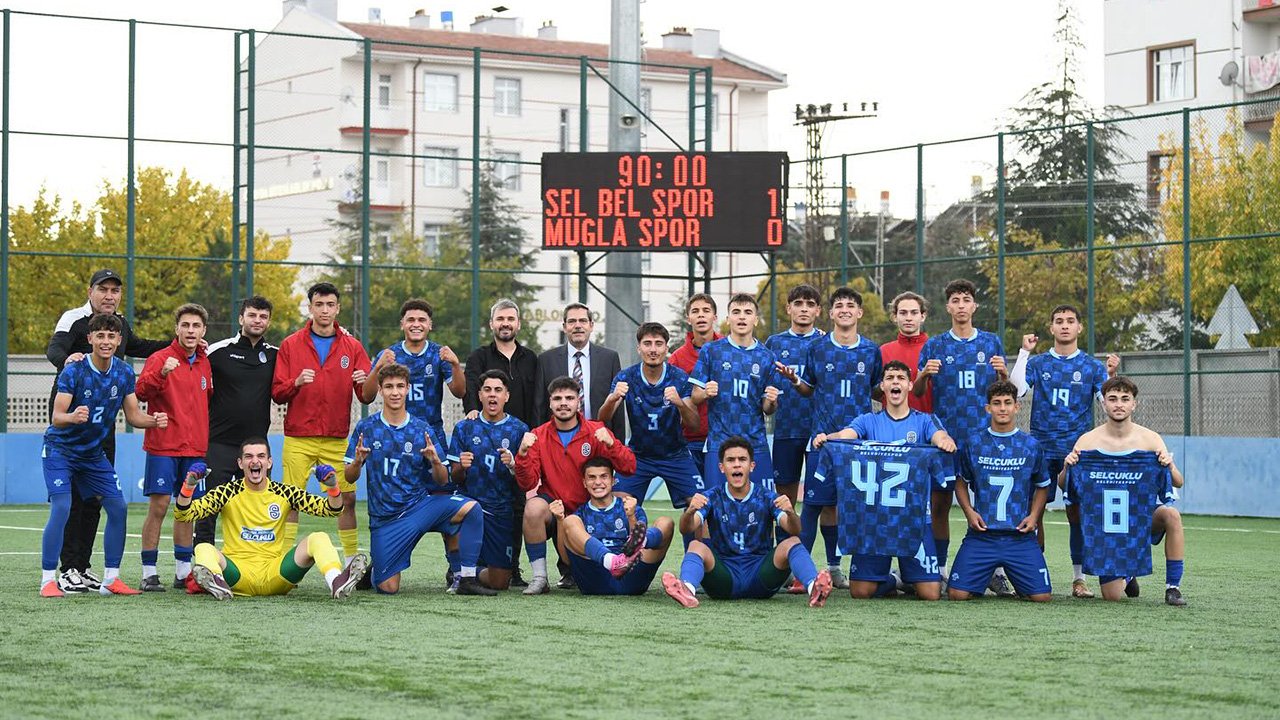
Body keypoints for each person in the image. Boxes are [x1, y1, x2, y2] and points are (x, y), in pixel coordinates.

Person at [45, 268, 169, 592]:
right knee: (70, 500)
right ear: (90, 292)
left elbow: (141, 345)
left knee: (96, 500)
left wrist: (178, 344)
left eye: (115, 290)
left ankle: (82, 567)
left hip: (102, 426)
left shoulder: (120, 325)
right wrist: (67, 358)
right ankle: (67, 567)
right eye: (104, 289)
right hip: (71, 420)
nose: (110, 295)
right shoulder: (74, 319)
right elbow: (54, 348)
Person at [345, 363, 496, 596]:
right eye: (388, 387)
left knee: (471, 508)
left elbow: (443, 479)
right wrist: (356, 462)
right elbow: (349, 476)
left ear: (407, 389)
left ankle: (464, 577)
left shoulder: (421, 428)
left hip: (419, 507)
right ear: (381, 391)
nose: (394, 392)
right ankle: (376, 569)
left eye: (399, 386)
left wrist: (436, 461)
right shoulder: (367, 427)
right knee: (388, 588)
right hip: (387, 520)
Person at [814, 360, 956, 599]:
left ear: (910, 385)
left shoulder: (924, 420)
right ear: (883, 386)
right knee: (860, 592)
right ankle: (894, 579)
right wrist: (827, 438)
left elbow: (939, 435)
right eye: (890, 378)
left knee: (931, 593)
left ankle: (911, 576)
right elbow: (845, 436)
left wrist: (944, 440)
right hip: (874, 522)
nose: (895, 382)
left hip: (913, 519)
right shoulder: (868, 421)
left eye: (901, 378)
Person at [1009, 304, 1119, 598]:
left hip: (1077, 452)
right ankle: (1035, 573)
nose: (1065, 326)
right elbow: (1016, 390)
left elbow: (1108, 403)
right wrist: (1023, 353)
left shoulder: (1093, 367)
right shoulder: (1039, 363)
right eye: (1059, 321)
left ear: (1080, 327)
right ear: (1051, 328)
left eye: (1071, 321)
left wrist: (1111, 377)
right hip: (1042, 449)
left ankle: (1078, 579)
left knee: (1077, 514)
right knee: (1034, 512)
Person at [173, 439, 369, 599]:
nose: (255, 461)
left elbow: (332, 510)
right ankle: (217, 583)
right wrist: (189, 486)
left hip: (276, 574)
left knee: (318, 537)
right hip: (237, 575)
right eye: (248, 457)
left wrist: (333, 487)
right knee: (202, 547)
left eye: (260, 456)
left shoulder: (284, 492)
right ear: (240, 464)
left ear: (269, 462)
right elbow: (184, 514)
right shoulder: (226, 492)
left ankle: (336, 582)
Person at [784, 287, 882, 588]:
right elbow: (809, 388)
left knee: (855, 506)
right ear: (831, 313)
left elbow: (877, 390)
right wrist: (795, 381)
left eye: (850, 305)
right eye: (839, 305)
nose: (844, 310)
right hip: (823, 440)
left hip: (858, 443)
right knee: (813, 505)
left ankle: (838, 568)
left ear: (859, 312)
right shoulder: (817, 348)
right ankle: (801, 572)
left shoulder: (871, 350)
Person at [661, 438, 833, 608]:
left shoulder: (766, 497)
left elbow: (794, 529)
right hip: (724, 579)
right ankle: (687, 591)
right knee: (695, 545)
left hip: (761, 576)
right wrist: (690, 511)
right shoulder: (711, 496)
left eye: (742, 459)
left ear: (751, 466)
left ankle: (814, 589)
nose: (736, 465)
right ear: (722, 467)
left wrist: (791, 512)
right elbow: (687, 528)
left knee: (792, 542)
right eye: (730, 460)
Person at [1061, 376, 1187, 606]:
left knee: (1172, 515)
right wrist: (1067, 466)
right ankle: (1128, 575)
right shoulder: (1088, 441)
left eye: (1124, 399)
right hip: (1106, 528)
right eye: (1113, 399)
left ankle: (1173, 587)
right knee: (1112, 597)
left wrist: (1168, 464)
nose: (1118, 404)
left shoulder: (1150, 439)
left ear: (1133, 404)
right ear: (1103, 404)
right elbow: (1064, 485)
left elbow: (1178, 482)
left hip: (1141, 518)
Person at [915, 278, 1007, 586]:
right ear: (948, 306)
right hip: (946, 437)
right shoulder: (935, 345)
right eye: (955, 300)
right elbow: (917, 391)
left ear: (974, 305)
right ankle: (940, 570)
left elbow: (1004, 391)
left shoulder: (991, 342)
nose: (961, 305)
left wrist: (1003, 373)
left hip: (983, 437)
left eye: (966, 299)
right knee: (940, 503)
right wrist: (925, 374)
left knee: (988, 501)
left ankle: (994, 571)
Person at [271, 282, 372, 557]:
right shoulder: (290, 344)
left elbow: (366, 396)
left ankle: (351, 560)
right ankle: (281, 562)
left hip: (337, 438)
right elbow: (278, 394)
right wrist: (296, 382)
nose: (325, 310)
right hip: (298, 438)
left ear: (338, 308)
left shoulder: (353, 346)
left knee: (347, 499)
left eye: (330, 305)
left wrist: (366, 381)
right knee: (290, 500)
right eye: (319, 304)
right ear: (310, 307)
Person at [514, 376, 637, 594]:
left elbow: (629, 467)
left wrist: (611, 444)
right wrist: (522, 454)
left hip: (587, 506)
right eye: (558, 398)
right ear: (550, 403)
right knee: (533, 507)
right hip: (555, 504)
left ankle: (625, 560)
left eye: (569, 398)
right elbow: (528, 483)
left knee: (624, 498)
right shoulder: (538, 435)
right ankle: (540, 577)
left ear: (578, 401)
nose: (563, 403)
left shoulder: (596, 431)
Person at [949, 381, 1053, 602]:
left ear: (1017, 407)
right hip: (983, 536)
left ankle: (1019, 578)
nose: (1002, 408)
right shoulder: (974, 443)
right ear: (988, 408)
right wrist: (969, 511)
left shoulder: (1030, 445)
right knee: (957, 594)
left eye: (1008, 403)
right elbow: (960, 481)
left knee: (1041, 597)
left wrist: (1034, 516)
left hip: (1019, 537)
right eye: (996, 403)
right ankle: (983, 577)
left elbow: (1043, 485)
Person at [135, 303, 215, 592]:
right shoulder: (160, 358)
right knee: (159, 506)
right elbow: (141, 392)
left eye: (196, 326)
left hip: (194, 449)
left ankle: (183, 572)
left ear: (203, 331)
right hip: (164, 446)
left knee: (187, 509)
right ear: (176, 328)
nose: (190, 331)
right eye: (186, 325)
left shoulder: (205, 361)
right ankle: (148, 572)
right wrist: (163, 374)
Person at [464, 298, 539, 586]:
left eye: (510, 319)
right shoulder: (479, 357)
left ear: (518, 324)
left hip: (519, 442)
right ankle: (466, 565)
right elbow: (471, 388)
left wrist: (532, 436)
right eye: (500, 319)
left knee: (517, 505)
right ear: (492, 324)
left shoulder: (531, 358)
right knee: (475, 504)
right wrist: (473, 408)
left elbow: (537, 400)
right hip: (484, 441)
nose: (505, 324)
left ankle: (512, 567)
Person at [597, 322, 702, 524]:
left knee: (701, 505)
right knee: (617, 505)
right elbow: (603, 418)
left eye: (658, 344)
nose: (653, 350)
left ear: (666, 348)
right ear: (639, 348)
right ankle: (627, 554)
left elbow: (694, 424)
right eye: (647, 344)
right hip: (638, 456)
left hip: (675, 455)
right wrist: (611, 399)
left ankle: (700, 554)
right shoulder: (626, 377)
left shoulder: (679, 378)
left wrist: (680, 403)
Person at [201, 296, 277, 550]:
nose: (258, 320)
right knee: (208, 509)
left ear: (268, 321)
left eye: (263, 316)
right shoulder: (217, 351)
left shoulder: (276, 355)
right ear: (241, 318)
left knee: (260, 508)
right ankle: (203, 566)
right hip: (218, 444)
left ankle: (258, 563)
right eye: (253, 315)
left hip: (257, 447)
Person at [689, 293, 784, 489]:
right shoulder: (711, 351)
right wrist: (705, 392)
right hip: (719, 443)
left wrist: (772, 401)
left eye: (748, 312)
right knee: (716, 507)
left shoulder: (767, 356)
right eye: (736, 312)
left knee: (763, 507)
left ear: (755, 320)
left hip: (755, 443)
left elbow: (768, 408)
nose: (742, 317)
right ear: (728, 319)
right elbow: (695, 395)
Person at [446, 370, 530, 590]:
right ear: (480, 395)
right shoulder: (464, 427)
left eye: (498, 390)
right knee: (447, 510)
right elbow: (454, 476)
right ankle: (457, 570)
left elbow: (525, 479)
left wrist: (513, 464)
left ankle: (470, 573)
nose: (493, 396)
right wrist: (461, 468)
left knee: (500, 582)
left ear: (507, 396)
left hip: (501, 510)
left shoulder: (519, 429)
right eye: (487, 390)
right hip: (469, 503)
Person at [548, 458, 676, 596]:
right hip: (595, 579)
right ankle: (611, 561)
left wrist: (631, 516)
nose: (598, 482)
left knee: (666, 522)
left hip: (632, 575)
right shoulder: (580, 514)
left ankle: (639, 544)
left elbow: (638, 547)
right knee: (570, 520)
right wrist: (560, 520)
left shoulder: (630, 506)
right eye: (592, 477)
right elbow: (567, 560)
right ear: (584, 483)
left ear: (613, 481)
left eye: (604, 476)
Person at [763, 284, 823, 518]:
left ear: (818, 311)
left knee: (820, 498)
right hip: (786, 429)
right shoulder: (774, 343)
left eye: (810, 304)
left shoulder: (825, 343)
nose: (804, 309)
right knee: (784, 497)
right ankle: (785, 547)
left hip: (819, 431)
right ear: (788, 308)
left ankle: (822, 553)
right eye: (798, 304)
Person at [535, 303, 624, 439]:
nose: (577, 326)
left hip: (599, 439)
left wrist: (618, 445)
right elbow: (539, 408)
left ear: (591, 325)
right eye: (572, 321)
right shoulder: (546, 360)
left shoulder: (609, 359)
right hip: (558, 441)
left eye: (583, 321)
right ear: (564, 327)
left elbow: (617, 409)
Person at [667, 293, 722, 472]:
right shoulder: (677, 358)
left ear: (714, 316)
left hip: (725, 438)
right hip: (691, 440)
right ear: (688, 318)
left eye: (706, 311)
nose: (701, 315)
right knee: (693, 499)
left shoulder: (730, 350)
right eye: (695, 311)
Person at [880, 291, 933, 413]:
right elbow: (875, 393)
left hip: (929, 427)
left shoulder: (935, 349)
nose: (908, 318)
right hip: (892, 428)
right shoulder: (883, 351)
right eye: (903, 313)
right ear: (895, 317)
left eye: (914, 313)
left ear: (923, 316)